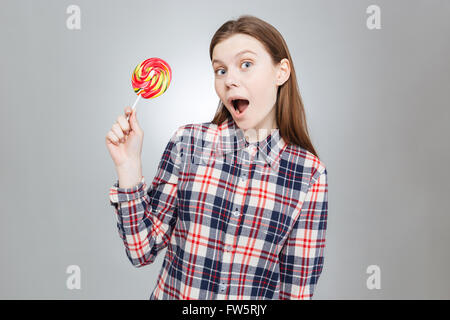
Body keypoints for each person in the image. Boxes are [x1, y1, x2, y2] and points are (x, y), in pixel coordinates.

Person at [105, 15, 328, 300]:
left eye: (245, 65)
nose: (230, 80)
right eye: (220, 70)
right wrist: (128, 167)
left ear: (280, 72)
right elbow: (140, 250)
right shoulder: (188, 143)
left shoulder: (309, 174)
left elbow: (296, 291)